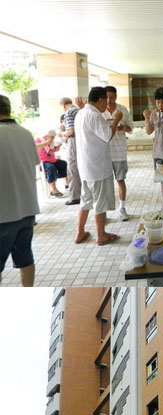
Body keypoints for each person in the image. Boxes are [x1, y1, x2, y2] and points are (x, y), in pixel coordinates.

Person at [74, 86, 123, 245]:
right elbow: (108, 135)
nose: (106, 106)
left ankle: (80, 233)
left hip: (85, 167)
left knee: (86, 201)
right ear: (100, 100)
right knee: (99, 203)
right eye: (105, 102)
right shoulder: (94, 116)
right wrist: (116, 119)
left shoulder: (80, 113)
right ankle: (101, 235)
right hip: (97, 168)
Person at [0, 95, 40, 286]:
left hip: (4, 214)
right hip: (27, 209)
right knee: (25, 258)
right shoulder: (25, 133)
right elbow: (33, 163)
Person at [103, 85, 133, 221]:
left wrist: (122, 127)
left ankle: (122, 208)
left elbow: (130, 128)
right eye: (107, 97)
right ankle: (104, 212)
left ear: (116, 97)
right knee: (106, 183)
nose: (109, 100)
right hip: (104, 153)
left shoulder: (122, 109)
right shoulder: (100, 110)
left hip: (119, 152)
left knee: (120, 180)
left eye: (112, 97)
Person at [60, 97, 82, 205]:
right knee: (79, 167)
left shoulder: (68, 113)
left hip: (73, 141)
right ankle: (82, 193)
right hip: (81, 141)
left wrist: (63, 134)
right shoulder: (77, 110)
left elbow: (71, 130)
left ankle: (75, 196)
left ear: (63, 105)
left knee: (72, 168)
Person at [35, 130, 68, 197]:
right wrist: (47, 143)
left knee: (63, 163)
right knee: (51, 167)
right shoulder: (38, 140)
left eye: (53, 137)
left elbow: (53, 150)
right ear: (46, 135)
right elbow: (37, 149)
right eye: (51, 137)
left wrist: (58, 146)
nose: (52, 139)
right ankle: (53, 189)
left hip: (52, 160)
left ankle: (55, 177)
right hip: (42, 162)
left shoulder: (51, 141)